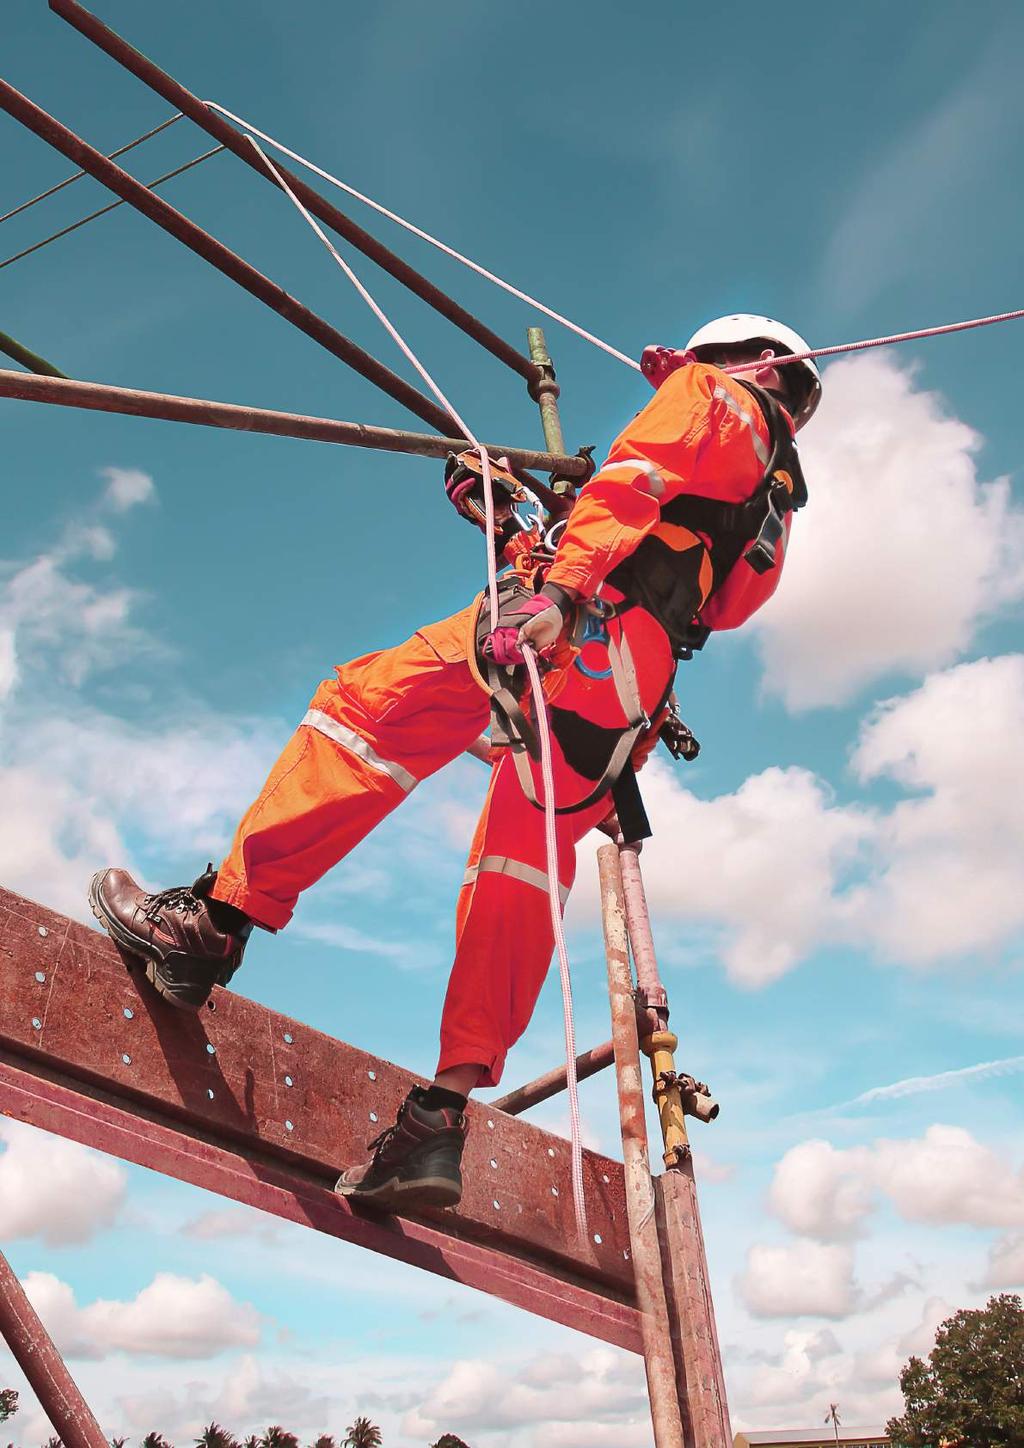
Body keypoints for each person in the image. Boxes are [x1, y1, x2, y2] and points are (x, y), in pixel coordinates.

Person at [89, 314, 821, 1212]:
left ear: (743, 361)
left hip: (577, 633)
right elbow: (678, 573)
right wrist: (514, 522)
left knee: (366, 717)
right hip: (631, 690)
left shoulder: (713, 394)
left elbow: (631, 485)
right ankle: (437, 1120)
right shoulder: (771, 505)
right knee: (516, 874)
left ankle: (211, 924)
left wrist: (553, 590)